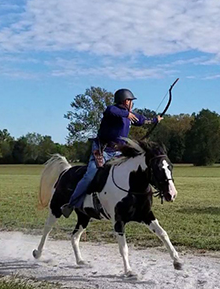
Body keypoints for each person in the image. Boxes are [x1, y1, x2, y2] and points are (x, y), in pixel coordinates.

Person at [61, 88, 162, 218]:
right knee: (90, 174)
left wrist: (155, 120)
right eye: (131, 101)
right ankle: (71, 204)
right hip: (102, 151)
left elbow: (142, 120)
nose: (132, 104)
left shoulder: (129, 114)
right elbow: (110, 110)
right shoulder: (113, 112)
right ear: (126, 101)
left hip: (119, 152)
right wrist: (126, 114)